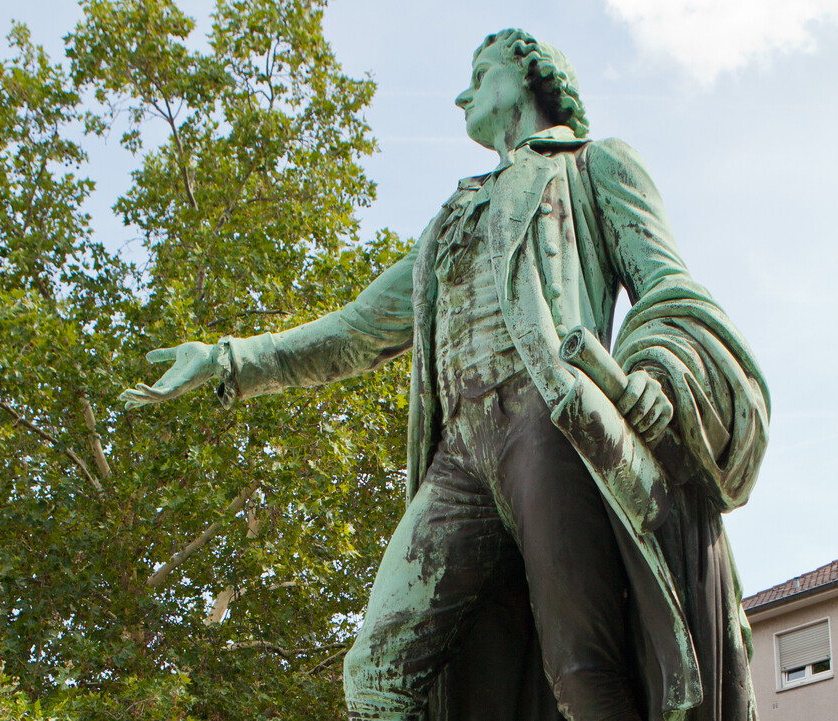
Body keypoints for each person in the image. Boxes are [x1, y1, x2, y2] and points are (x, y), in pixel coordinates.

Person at [121, 28, 770, 721]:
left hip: (549, 420)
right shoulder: (450, 224)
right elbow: (356, 330)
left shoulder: (592, 165)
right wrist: (227, 360)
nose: (463, 93)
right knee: (375, 674)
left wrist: (656, 374)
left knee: (581, 668)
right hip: (460, 450)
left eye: (480, 73)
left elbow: (669, 286)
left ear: (530, 76)